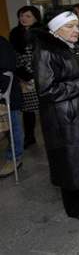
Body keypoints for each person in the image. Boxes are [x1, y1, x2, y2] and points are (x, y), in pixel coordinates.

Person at [33, 11, 79, 221]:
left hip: (78, 114)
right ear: (56, 30)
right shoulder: (45, 51)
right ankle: (75, 208)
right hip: (62, 120)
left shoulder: (69, 48)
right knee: (71, 163)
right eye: (70, 26)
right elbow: (46, 91)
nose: (76, 31)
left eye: (76, 26)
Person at [9, 6, 42, 148]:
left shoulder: (41, 32)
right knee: (28, 109)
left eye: (28, 16)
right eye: (22, 15)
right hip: (23, 76)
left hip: (41, 74)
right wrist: (23, 73)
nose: (24, 19)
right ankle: (29, 137)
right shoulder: (15, 33)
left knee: (45, 107)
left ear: (35, 18)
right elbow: (13, 56)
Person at [0, 36, 24, 178]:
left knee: (13, 126)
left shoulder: (2, 44)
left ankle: (14, 157)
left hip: (6, 92)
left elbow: (8, 68)